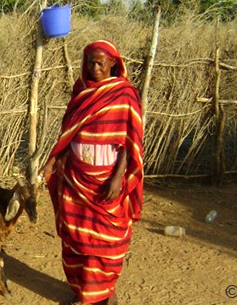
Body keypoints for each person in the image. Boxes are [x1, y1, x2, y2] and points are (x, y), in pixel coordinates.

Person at [39, 40, 144, 305]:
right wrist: (53, 161)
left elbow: (129, 142)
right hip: (76, 177)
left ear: (113, 63)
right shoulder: (80, 92)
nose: (95, 68)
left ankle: (104, 292)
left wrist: (118, 177)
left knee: (107, 241)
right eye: (91, 62)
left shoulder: (124, 94)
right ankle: (84, 290)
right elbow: (68, 134)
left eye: (100, 62)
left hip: (107, 178)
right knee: (76, 237)